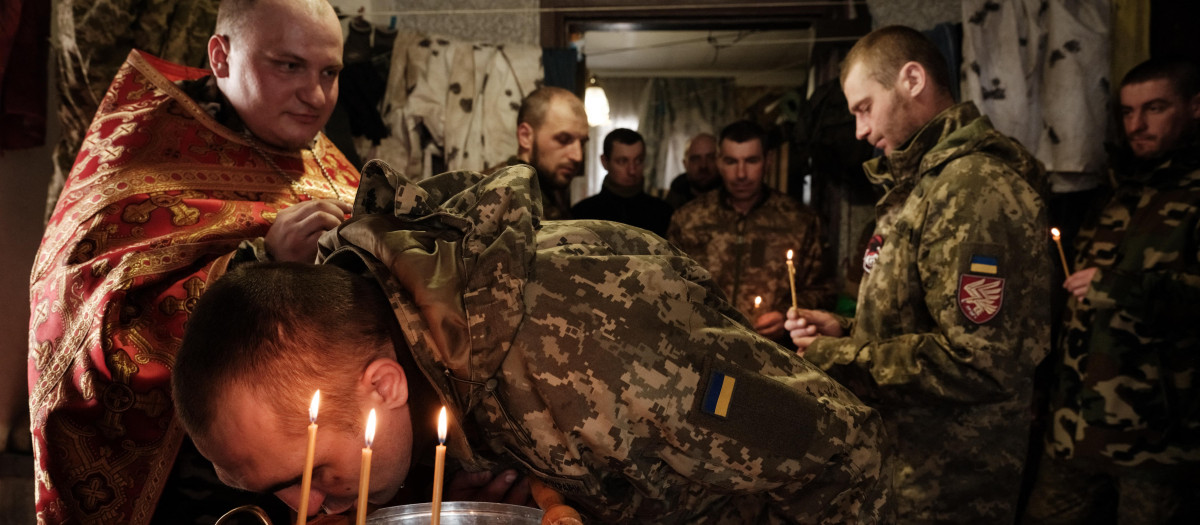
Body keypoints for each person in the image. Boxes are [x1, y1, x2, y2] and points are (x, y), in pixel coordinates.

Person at [172, 159, 890, 524]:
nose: (311, 507)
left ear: (381, 386)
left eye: (317, 471)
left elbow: (846, 455)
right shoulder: (396, 326)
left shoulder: (603, 352)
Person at [27, 1, 362, 523]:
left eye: (331, 73)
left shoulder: (334, 170)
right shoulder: (135, 155)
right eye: (288, 65)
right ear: (221, 56)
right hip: (185, 485)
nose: (315, 95)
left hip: (318, 480)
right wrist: (259, 261)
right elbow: (84, 334)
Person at [784, 25, 1052, 523]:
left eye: (864, 108)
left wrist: (839, 355)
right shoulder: (920, 183)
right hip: (904, 468)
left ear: (911, 79)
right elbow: (918, 323)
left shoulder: (975, 187)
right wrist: (847, 330)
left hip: (949, 485)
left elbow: (978, 361)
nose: (861, 131)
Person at [1023, 59, 1200, 524]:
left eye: (1154, 108)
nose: (1136, 125)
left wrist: (1119, 287)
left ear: (1194, 107)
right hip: (1073, 429)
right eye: (1127, 112)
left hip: (1157, 441)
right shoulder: (1116, 192)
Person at [669, 120, 831, 343]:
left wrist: (785, 315)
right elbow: (669, 283)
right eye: (731, 161)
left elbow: (824, 290)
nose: (741, 174)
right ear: (719, 162)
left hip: (774, 353)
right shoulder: (688, 218)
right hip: (701, 345)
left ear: (768, 161)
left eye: (751, 161)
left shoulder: (799, 220)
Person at [494, 86, 589, 220]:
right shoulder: (496, 195)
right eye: (564, 140)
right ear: (525, 136)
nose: (577, 156)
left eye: (582, 143)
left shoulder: (548, 187)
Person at [570, 128, 674, 236]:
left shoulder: (663, 213)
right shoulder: (583, 214)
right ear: (605, 162)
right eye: (622, 161)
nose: (632, 170)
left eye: (639, 160)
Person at [664, 132, 720, 209]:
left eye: (710, 158)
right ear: (685, 164)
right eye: (696, 159)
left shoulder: (734, 200)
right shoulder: (670, 206)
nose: (703, 165)